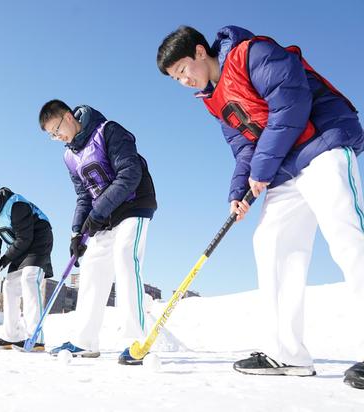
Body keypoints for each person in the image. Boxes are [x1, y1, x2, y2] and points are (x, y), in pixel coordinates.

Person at [156, 26, 364, 386]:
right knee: (271, 244)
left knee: (347, 239)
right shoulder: (215, 101)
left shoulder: (253, 54)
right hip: (286, 169)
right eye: (176, 79)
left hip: (323, 145)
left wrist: (262, 171)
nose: (184, 81)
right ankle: (287, 353)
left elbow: (291, 104)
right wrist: (238, 191)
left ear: (200, 52)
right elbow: (244, 150)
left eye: (183, 70)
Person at [38, 100, 157, 359]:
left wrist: (97, 213)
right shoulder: (69, 156)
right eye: (51, 135)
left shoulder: (108, 131)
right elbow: (83, 196)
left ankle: (137, 340)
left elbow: (129, 174)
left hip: (133, 205)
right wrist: (76, 233)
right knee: (92, 267)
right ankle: (85, 341)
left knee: (126, 258)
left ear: (69, 117)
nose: (57, 137)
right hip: (103, 216)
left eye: (57, 130)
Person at [0, 185, 53, 351]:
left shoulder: (16, 205)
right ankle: (11, 335)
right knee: (9, 285)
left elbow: (25, 238)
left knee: (29, 279)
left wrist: (3, 262)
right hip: (19, 248)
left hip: (37, 242)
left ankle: (35, 337)